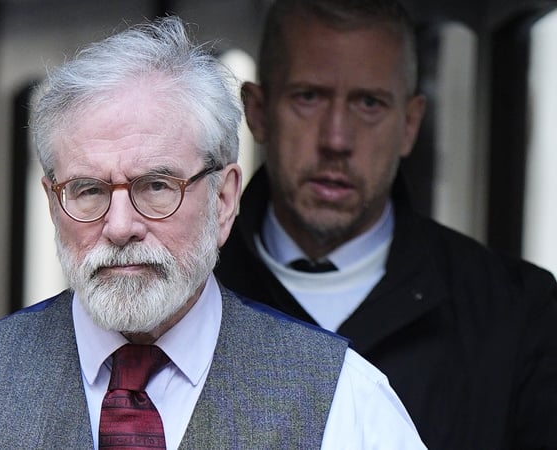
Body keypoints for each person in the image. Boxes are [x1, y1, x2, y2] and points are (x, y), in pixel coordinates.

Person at [0, 15, 425, 449]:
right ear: (54, 203)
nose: (120, 227)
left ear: (223, 199)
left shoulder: (342, 399)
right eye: (89, 191)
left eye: (156, 187)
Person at [215, 0, 557, 448]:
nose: (336, 138)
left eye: (369, 103)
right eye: (309, 97)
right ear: (257, 112)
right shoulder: (191, 291)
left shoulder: (516, 313)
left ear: (410, 124)